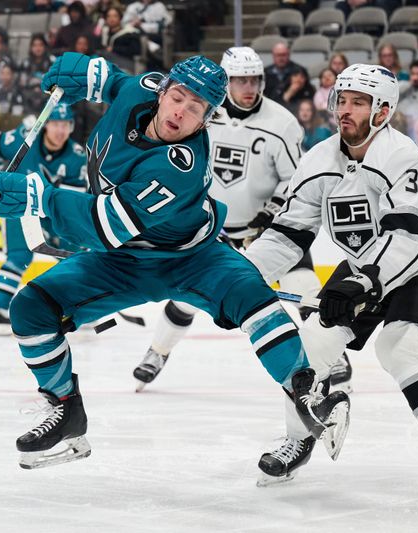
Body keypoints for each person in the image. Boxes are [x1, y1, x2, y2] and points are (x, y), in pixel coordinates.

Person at [0, 53, 351, 470]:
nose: (180, 112)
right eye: (177, 97)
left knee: (254, 297)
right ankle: (66, 408)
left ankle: (309, 394)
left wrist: (40, 199)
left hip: (193, 258)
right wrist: (92, 75)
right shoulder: (144, 89)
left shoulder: (179, 167)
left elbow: (104, 225)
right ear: (163, 90)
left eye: (196, 109)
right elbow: (118, 83)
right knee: (30, 307)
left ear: (208, 119)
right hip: (121, 261)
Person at [244, 64, 418, 507]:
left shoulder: (399, 156)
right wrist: (241, 273)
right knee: (310, 344)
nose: (344, 110)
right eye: (341, 100)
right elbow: (289, 234)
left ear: (383, 111)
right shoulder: (319, 159)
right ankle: (299, 440)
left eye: (357, 102)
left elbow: (407, 240)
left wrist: (364, 284)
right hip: (369, 263)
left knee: (399, 348)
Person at [131, 47, 339, 392]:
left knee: (306, 291)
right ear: (224, 83)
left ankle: (332, 358)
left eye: (254, 79)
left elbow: (296, 178)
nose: (249, 87)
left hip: (272, 230)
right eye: (240, 80)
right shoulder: (199, 116)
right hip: (211, 230)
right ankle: (158, 351)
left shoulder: (282, 122)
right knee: (186, 296)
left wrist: (270, 212)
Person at [0, 104, 87, 335]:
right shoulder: (22, 138)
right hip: (20, 207)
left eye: (65, 125)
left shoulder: (77, 158)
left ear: (71, 128)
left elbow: (69, 203)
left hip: (54, 210)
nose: (60, 131)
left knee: (72, 255)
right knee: (19, 256)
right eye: (55, 124)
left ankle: (77, 307)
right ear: (46, 125)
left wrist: (51, 228)